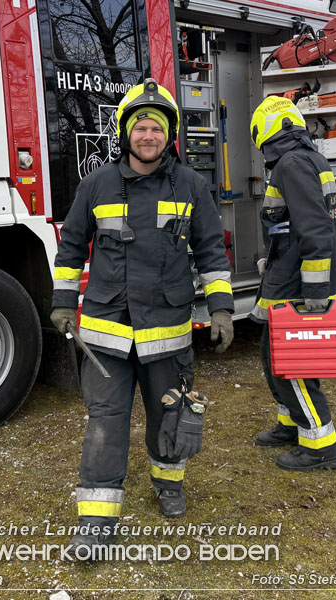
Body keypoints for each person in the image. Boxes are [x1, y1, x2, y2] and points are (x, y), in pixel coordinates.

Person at [49, 79, 234, 552]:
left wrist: (222, 309)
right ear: (125, 132)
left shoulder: (191, 184)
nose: (147, 135)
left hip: (167, 331)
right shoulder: (96, 184)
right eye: (140, 127)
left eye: (156, 127)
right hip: (107, 330)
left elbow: (212, 250)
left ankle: (169, 484)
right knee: (106, 420)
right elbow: (71, 246)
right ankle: (96, 520)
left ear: (168, 134)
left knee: (166, 414)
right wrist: (64, 302)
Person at [248, 96, 336, 472]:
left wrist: (316, 292)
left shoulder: (292, 163)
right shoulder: (306, 158)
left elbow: (316, 230)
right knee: (275, 360)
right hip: (290, 279)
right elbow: (291, 224)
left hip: (298, 288)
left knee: (291, 366)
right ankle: (292, 424)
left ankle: (321, 446)